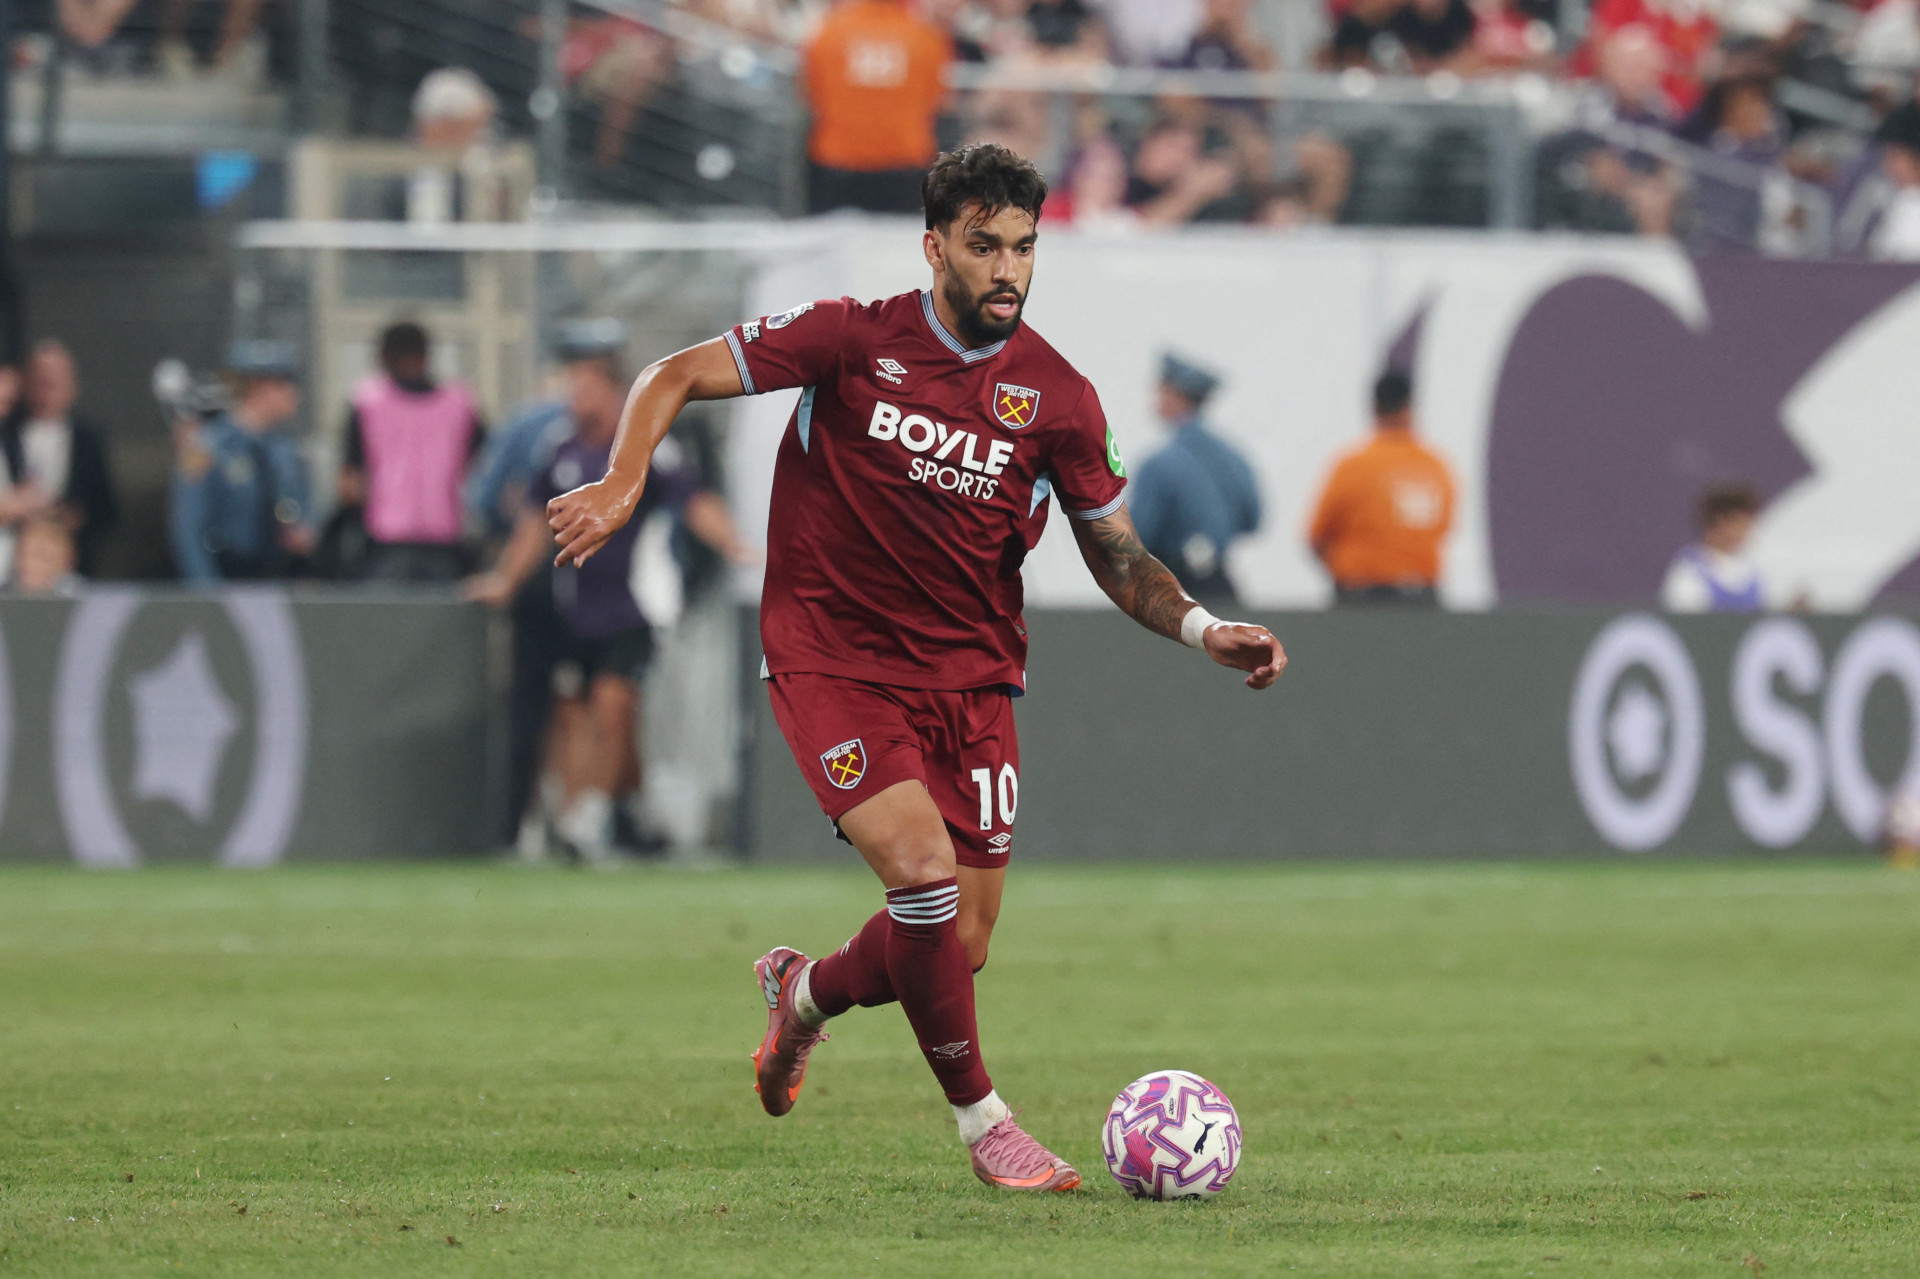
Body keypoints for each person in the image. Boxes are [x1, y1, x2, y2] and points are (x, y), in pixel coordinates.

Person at [543, 143, 1286, 1189]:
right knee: (924, 878)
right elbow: (674, 373)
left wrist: (1206, 629)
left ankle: (803, 994)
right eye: (984, 246)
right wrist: (624, 480)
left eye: (1023, 247)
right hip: (832, 658)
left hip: (973, 682)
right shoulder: (851, 338)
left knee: (957, 941)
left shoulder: (1058, 398)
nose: (1007, 270)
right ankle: (987, 1124)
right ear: (935, 246)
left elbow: (1118, 556)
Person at [466, 345, 748, 865]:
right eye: (573, 389)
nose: (577, 399)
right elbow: (534, 523)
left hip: (636, 606)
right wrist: (506, 579)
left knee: (613, 704)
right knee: (575, 714)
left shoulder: (645, 445)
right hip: (575, 609)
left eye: (587, 389)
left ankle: (588, 817)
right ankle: (610, 814)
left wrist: (736, 545)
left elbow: (694, 500)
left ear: (616, 393)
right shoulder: (560, 449)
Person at [339, 322, 486, 582]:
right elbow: (482, 467)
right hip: (446, 537)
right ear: (426, 355)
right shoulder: (461, 404)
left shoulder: (367, 402)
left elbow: (350, 482)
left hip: (386, 539)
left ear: (383, 357)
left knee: (388, 607)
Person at [1307, 369, 1456, 606]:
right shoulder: (1436, 467)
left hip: (1360, 599)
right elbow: (1444, 528)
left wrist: (1346, 572)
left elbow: (1316, 538)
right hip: (1422, 600)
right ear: (1410, 406)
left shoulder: (1353, 465)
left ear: (1374, 407)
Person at [169, 341, 314, 583]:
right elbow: (189, 530)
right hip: (228, 574)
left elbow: (302, 513)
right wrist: (207, 593)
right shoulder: (208, 448)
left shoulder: (287, 451)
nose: (293, 393)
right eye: (282, 384)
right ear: (258, 388)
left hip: (276, 579)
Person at [1128, 353, 1261, 609]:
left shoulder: (1159, 465)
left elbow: (1137, 537)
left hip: (1172, 588)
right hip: (1218, 585)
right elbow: (1252, 520)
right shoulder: (1233, 459)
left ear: (1176, 395)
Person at [801, 0, 953, 214]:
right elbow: (937, 101)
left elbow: (812, 95)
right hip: (904, 167)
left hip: (837, 165)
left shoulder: (828, 32)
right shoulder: (926, 37)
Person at [3, 339, 117, 578]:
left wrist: (69, 517)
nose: (47, 388)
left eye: (55, 381)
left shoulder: (89, 439)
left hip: (75, 565)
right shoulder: (6, 433)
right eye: (40, 379)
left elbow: (105, 507)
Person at [1661, 482, 1766, 611]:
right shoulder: (1689, 572)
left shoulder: (1752, 569)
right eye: (1741, 523)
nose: (1747, 531)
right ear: (1720, 522)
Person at [9, 513, 81, 596]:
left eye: (43, 557)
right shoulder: (5, 591)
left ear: (68, 561)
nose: (31, 563)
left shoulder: (85, 599)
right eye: (24, 554)